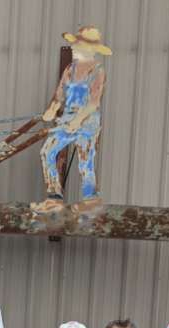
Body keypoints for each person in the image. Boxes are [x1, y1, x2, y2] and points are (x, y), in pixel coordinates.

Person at [32, 26, 109, 214]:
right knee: (47, 151)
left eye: (76, 44)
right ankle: (54, 197)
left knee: (85, 160)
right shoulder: (69, 69)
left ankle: (91, 199)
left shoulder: (97, 70)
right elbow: (59, 95)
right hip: (67, 119)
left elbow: (94, 102)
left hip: (87, 122)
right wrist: (50, 111)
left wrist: (78, 121)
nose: (73, 48)